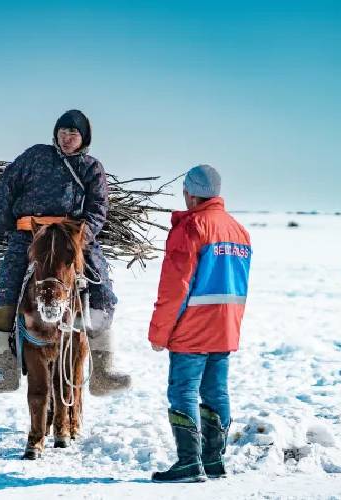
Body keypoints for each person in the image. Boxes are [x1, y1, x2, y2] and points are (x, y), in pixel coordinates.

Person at [0, 109, 131, 396]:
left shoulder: (90, 167)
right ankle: (4, 367)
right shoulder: (34, 156)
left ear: (84, 138)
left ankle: (103, 368)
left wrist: (83, 237)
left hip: (70, 237)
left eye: (73, 133)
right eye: (63, 131)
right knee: (8, 285)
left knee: (102, 288)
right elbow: (7, 185)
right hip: (29, 234)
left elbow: (98, 207)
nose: (67, 137)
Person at [148, 164, 251, 483]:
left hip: (192, 327)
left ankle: (189, 463)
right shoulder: (238, 230)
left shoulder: (192, 227)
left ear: (190, 193)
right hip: (226, 326)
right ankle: (213, 460)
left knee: (183, 392)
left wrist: (159, 332)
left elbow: (174, 286)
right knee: (216, 391)